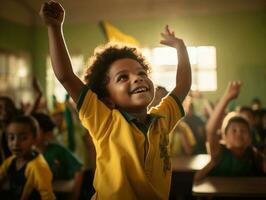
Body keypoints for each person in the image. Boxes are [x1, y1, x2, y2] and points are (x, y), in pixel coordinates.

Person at [40, 1, 191, 199]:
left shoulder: (161, 120)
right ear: (107, 99)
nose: (137, 78)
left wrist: (181, 47)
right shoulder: (104, 121)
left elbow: (182, 86)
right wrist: (54, 28)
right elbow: (66, 76)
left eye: (141, 72)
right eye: (122, 77)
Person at [194, 81, 266, 181]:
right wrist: (227, 97)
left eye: (243, 131)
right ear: (225, 137)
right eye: (234, 130)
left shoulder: (253, 155)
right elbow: (211, 130)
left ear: (250, 138)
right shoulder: (219, 152)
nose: (239, 133)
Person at [0, 115, 55, 200]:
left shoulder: (38, 167)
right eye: (11, 138)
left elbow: (48, 196)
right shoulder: (10, 161)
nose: (16, 143)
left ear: (35, 139)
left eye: (23, 138)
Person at [32, 112, 83, 200]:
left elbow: (78, 170)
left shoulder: (57, 150)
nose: (31, 133)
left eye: (35, 130)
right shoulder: (27, 155)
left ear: (46, 132)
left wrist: (74, 196)